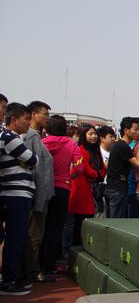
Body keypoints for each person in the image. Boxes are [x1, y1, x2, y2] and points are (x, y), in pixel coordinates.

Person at [0, 103, 38, 295]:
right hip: (15, 195)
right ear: (13, 120)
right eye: (26, 119)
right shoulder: (9, 138)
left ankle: (11, 277)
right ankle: (8, 280)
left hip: (17, 194)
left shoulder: (12, 138)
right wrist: (28, 161)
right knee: (16, 238)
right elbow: (33, 160)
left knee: (16, 238)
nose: (29, 123)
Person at [16, 101, 54, 286]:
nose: (47, 118)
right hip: (35, 194)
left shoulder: (36, 136)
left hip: (40, 193)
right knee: (34, 235)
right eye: (44, 114)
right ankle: (32, 271)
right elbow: (27, 163)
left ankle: (25, 270)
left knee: (34, 233)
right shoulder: (29, 136)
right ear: (33, 115)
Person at [40, 115, 83, 276]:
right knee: (56, 227)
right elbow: (79, 168)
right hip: (62, 187)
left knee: (41, 226)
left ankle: (36, 263)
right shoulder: (71, 145)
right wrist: (67, 178)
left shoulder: (42, 143)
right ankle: (50, 264)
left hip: (44, 187)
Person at [105, 117, 139, 218]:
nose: (138, 132)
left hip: (116, 188)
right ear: (126, 131)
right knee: (116, 222)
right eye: (135, 129)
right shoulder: (122, 146)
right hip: (117, 189)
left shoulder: (122, 146)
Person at [69, 125, 104, 246]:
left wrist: (98, 175)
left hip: (92, 188)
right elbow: (86, 170)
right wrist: (97, 175)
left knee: (89, 218)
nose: (94, 136)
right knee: (80, 221)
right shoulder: (81, 150)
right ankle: (77, 246)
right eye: (90, 134)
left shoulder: (95, 151)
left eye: (95, 134)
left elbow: (102, 168)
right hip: (82, 188)